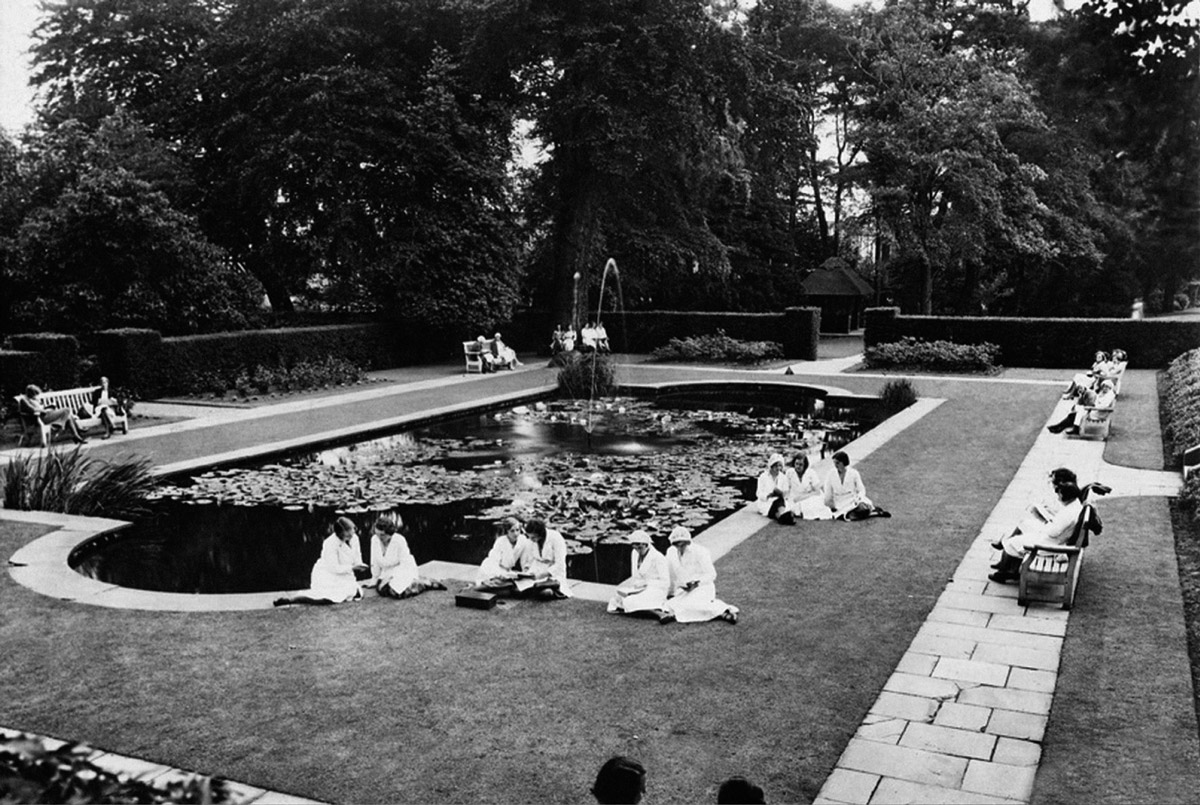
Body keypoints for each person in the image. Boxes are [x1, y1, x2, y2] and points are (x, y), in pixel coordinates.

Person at [988, 480, 1084, 584]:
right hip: (1056, 539)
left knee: (1012, 542)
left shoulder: (1068, 513)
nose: (1058, 497)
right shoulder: (1075, 506)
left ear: (1067, 496)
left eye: (1060, 494)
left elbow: (1053, 532)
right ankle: (1011, 570)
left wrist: (1047, 521)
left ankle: (1003, 573)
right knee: (1022, 533)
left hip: (1051, 544)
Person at [274, 517, 368, 605]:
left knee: (353, 592)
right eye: (347, 535)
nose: (351, 536)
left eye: (352, 532)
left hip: (345, 574)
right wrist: (352, 567)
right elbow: (334, 568)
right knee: (328, 597)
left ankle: (296, 599)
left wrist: (360, 565)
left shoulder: (355, 538)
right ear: (339, 534)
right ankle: (293, 599)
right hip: (327, 574)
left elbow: (357, 556)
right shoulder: (329, 543)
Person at [661, 527, 738, 625]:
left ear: (688, 542)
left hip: (702, 587)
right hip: (683, 589)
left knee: (692, 605)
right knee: (669, 604)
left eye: (682, 544)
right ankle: (719, 612)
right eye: (676, 544)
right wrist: (669, 592)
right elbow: (670, 573)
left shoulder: (701, 551)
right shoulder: (671, 552)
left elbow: (711, 574)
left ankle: (724, 611)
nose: (679, 547)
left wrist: (696, 583)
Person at [369, 512, 445, 599]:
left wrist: (391, 577)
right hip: (386, 572)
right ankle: (418, 583)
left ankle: (424, 583)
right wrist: (374, 578)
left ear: (390, 533)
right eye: (377, 534)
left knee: (396, 592)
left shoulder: (399, 540)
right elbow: (374, 561)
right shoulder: (374, 540)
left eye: (382, 535)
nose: (379, 537)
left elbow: (405, 564)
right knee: (382, 590)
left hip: (403, 570)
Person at [607, 530, 670, 617]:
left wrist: (647, 583)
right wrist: (633, 589)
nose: (638, 549)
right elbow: (635, 575)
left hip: (655, 589)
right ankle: (649, 610)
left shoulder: (658, 558)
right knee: (617, 597)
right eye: (635, 546)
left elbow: (666, 583)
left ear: (646, 544)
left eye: (640, 547)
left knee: (630, 601)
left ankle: (657, 613)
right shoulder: (634, 553)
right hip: (638, 588)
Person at [822, 451, 889, 521]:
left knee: (862, 508)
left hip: (853, 499)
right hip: (840, 502)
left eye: (837, 463)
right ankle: (871, 514)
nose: (836, 465)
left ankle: (866, 512)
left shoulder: (854, 473)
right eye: (834, 463)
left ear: (843, 462)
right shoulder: (830, 474)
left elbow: (861, 489)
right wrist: (830, 504)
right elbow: (828, 492)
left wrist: (859, 498)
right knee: (845, 515)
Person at [19, 384, 88, 444]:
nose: (36, 396)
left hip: (46, 415)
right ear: (30, 393)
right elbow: (33, 409)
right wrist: (43, 410)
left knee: (69, 417)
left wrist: (49, 407)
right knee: (66, 410)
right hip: (40, 418)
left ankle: (76, 436)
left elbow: (41, 407)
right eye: (35, 394)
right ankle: (62, 426)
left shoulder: (35, 399)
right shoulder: (24, 400)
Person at [521, 518, 570, 598]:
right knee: (519, 587)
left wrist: (543, 574)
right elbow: (530, 559)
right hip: (536, 570)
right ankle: (533, 589)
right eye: (529, 537)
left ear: (540, 534)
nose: (531, 540)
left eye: (533, 537)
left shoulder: (556, 538)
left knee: (547, 593)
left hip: (552, 572)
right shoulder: (531, 540)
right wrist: (526, 569)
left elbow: (560, 564)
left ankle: (543, 589)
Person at [1047, 379, 1115, 434]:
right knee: (1074, 414)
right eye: (1104, 386)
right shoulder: (1104, 393)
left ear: (1110, 387)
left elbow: (1103, 406)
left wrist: (1092, 407)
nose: (1105, 388)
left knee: (1078, 412)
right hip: (1095, 410)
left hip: (1098, 413)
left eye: (1107, 387)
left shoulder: (1109, 395)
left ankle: (1068, 428)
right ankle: (1059, 427)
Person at [785, 453, 833, 520]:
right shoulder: (789, 472)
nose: (798, 466)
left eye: (801, 464)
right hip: (794, 498)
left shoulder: (811, 472)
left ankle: (803, 512)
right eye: (796, 464)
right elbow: (786, 489)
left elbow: (817, 492)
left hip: (808, 497)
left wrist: (802, 497)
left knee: (814, 502)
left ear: (805, 465)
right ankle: (799, 511)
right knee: (789, 505)